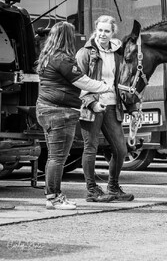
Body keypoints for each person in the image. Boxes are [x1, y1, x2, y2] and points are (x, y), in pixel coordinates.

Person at [36, 22, 111, 210]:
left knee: (54, 157)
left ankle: (52, 196)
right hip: (59, 113)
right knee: (57, 158)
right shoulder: (62, 59)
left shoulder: (47, 56)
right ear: (68, 37)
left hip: (46, 110)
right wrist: (107, 86)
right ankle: (54, 198)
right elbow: (84, 82)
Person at [76, 15, 140, 203]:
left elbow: (123, 83)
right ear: (96, 30)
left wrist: (132, 107)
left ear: (113, 33)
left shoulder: (118, 53)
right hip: (92, 106)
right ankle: (91, 190)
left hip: (113, 106)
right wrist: (91, 102)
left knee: (120, 150)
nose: (103, 34)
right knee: (91, 148)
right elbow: (77, 82)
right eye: (100, 30)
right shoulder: (85, 53)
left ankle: (113, 187)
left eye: (107, 31)